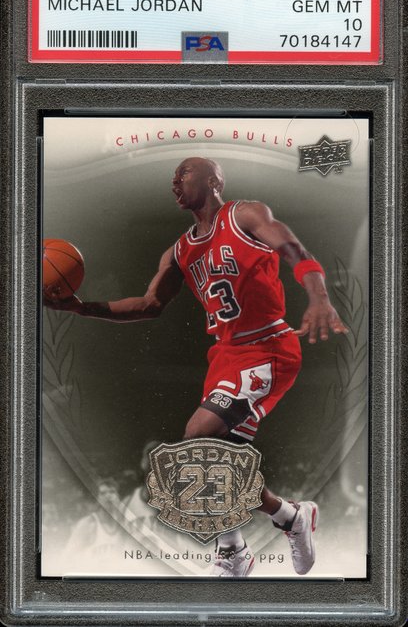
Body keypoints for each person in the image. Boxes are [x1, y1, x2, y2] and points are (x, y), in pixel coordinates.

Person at [46, 156, 348, 577]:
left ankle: (234, 551)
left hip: (267, 346)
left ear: (214, 180)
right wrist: (83, 308)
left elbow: (292, 248)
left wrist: (319, 297)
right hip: (225, 356)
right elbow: (149, 305)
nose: (175, 181)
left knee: (197, 437)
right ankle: (290, 516)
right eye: (173, 177)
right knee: (218, 463)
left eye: (184, 173)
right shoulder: (179, 250)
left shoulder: (244, 215)